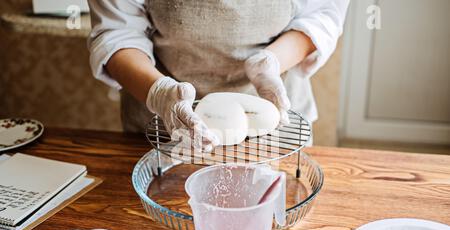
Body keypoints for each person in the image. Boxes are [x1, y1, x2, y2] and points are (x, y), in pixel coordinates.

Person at [88, 0, 349, 151]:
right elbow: (117, 31)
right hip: (163, 123)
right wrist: (158, 93)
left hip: (273, 120)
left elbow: (322, 14)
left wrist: (271, 63)